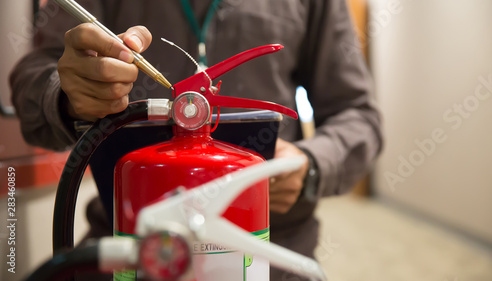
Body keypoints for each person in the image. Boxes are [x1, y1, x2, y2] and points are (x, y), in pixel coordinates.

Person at [10, 0, 382, 280]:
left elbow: (360, 115)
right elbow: (30, 77)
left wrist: (310, 165)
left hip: (271, 250)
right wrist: (68, 91)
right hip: (132, 247)